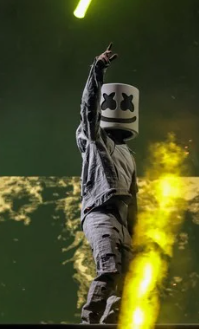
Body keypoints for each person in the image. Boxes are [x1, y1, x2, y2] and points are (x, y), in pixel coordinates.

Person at [76, 43, 140, 324]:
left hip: (120, 219)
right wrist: (98, 68)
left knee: (127, 281)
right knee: (110, 270)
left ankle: (109, 324)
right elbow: (89, 110)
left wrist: (136, 234)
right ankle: (89, 321)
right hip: (100, 213)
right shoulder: (97, 142)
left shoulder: (128, 155)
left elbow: (134, 199)